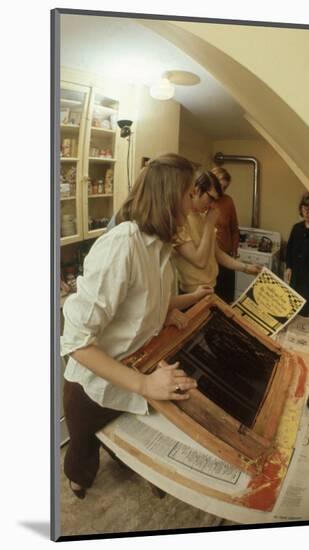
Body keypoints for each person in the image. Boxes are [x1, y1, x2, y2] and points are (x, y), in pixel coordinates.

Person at [61, 154, 213, 499]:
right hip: (92, 389)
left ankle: (122, 459)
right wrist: (144, 383)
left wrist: (169, 311)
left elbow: (143, 302)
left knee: (122, 439)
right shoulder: (123, 245)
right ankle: (78, 479)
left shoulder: (160, 248)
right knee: (83, 450)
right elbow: (77, 342)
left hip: (130, 375)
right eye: (190, 195)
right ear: (169, 197)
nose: (195, 205)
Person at [172, 170, 260, 297]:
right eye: (210, 198)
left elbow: (218, 254)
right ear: (196, 190)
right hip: (192, 293)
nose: (212, 204)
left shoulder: (203, 217)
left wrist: (246, 268)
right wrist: (209, 224)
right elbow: (199, 261)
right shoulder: (180, 221)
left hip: (211, 287)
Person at [211, 166, 240, 303]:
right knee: (212, 299)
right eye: (220, 186)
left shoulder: (228, 201)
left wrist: (234, 251)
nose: (222, 191)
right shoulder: (205, 202)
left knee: (227, 299)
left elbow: (234, 229)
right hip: (210, 259)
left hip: (227, 257)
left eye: (225, 188)